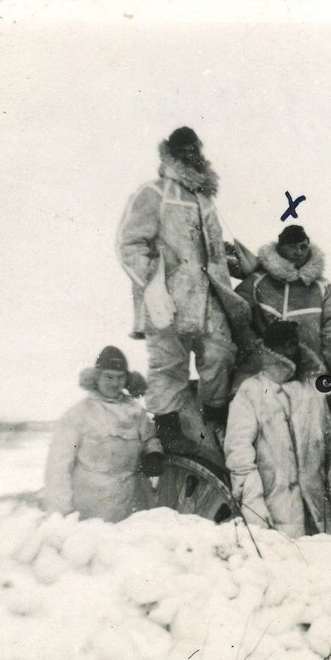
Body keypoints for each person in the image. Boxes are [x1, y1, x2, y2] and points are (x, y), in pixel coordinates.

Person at [116, 126, 247, 455]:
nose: (191, 155)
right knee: (168, 363)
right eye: (183, 150)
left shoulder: (205, 200)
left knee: (220, 355)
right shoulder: (154, 193)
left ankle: (214, 419)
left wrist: (234, 261)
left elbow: (211, 251)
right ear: (170, 154)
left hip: (210, 300)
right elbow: (129, 244)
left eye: (194, 149)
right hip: (168, 299)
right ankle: (168, 431)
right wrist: (153, 282)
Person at [224, 321, 331, 538]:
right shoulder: (251, 391)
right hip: (276, 517)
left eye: (294, 343)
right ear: (271, 349)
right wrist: (256, 515)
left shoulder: (312, 388)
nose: (291, 349)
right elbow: (240, 456)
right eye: (284, 345)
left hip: (320, 518)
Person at [44, 346, 165, 523]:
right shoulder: (78, 414)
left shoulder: (135, 411)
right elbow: (58, 468)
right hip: (91, 512)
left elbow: (150, 439)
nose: (115, 383)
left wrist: (153, 453)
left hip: (132, 507)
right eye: (109, 376)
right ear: (96, 377)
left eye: (120, 377)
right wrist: (63, 513)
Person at [234, 224, 331, 377]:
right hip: (266, 370)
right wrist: (255, 354)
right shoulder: (256, 282)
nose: (298, 252)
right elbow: (238, 320)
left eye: (303, 247)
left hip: (311, 371)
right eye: (292, 247)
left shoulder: (324, 288)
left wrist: (325, 363)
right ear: (280, 248)